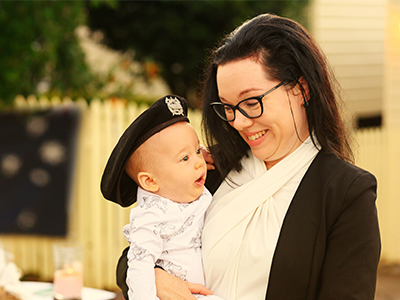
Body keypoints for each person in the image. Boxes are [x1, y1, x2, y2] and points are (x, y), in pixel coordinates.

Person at [116, 13, 381, 300]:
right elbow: (137, 249)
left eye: (251, 103)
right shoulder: (210, 168)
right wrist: (157, 280)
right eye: (228, 107)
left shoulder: (345, 192)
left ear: (301, 89)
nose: (238, 122)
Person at [100, 95, 224, 300]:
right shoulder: (153, 216)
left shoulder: (189, 194)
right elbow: (139, 264)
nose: (199, 162)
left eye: (197, 151)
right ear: (149, 182)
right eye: (184, 158)